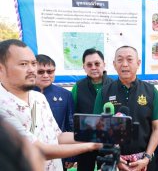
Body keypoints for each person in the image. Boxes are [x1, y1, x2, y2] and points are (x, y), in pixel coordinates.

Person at [0, 39, 103, 171]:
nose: (32, 70)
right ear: (1, 69)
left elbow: (58, 136)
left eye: (33, 63)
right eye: (23, 64)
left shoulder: (38, 98)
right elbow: (39, 150)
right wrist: (93, 145)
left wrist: (97, 134)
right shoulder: (2, 106)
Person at [93, 45, 158, 171]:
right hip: (113, 162)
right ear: (114, 64)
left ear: (138, 63)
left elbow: (157, 128)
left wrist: (147, 157)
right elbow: (98, 128)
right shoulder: (104, 92)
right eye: (120, 60)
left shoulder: (151, 91)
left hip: (144, 162)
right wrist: (113, 156)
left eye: (129, 59)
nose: (124, 64)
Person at [71, 48, 113, 171]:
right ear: (84, 67)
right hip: (84, 141)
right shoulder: (78, 87)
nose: (93, 67)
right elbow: (72, 116)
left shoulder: (114, 86)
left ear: (104, 65)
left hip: (107, 142)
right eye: (89, 64)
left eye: (97, 64)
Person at [34, 54, 75, 170]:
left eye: (50, 71)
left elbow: (70, 126)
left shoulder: (65, 94)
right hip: (30, 152)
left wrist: (71, 156)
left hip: (57, 152)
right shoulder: (24, 94)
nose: (46, 75)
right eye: (41, 72)